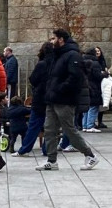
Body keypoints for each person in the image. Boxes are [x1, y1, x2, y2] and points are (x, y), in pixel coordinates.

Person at [36, 29, 99, 172]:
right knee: (49, 129)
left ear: (61, 39)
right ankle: (52, 161)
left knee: (69, 129)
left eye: (54, 38)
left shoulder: (72, 55)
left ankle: (90, 155)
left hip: (65, 99)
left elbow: (75, 77)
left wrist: (59, 88)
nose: (51, 41)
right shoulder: (57, 55)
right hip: (52, 99)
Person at [13, 42, 53, 157]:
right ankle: (47, 149)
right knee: (50, 126)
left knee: (34, 125)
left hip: (40, 98)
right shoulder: (56, 63)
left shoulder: (42, 64)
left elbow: (33, 79)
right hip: (52, 98)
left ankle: (25, 149)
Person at [82, 49, 104, 133]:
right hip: (94, 87)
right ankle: (90, 125)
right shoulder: (95, 63)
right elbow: (98, 76)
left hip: (85, 86)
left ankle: (85, 125)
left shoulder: (83, 61)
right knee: (93, 106)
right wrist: (105, 74)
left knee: (86, 107)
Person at [94, 47, 109, 128]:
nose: (97, 52)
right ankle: (92, 121)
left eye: (98, 51)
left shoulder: (102, 61)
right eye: (96, 51)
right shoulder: (93, 61)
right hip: (96, 84)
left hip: (103, 83)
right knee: (94, 104)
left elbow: (106, 70)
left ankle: (100, 121)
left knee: (102, 103)